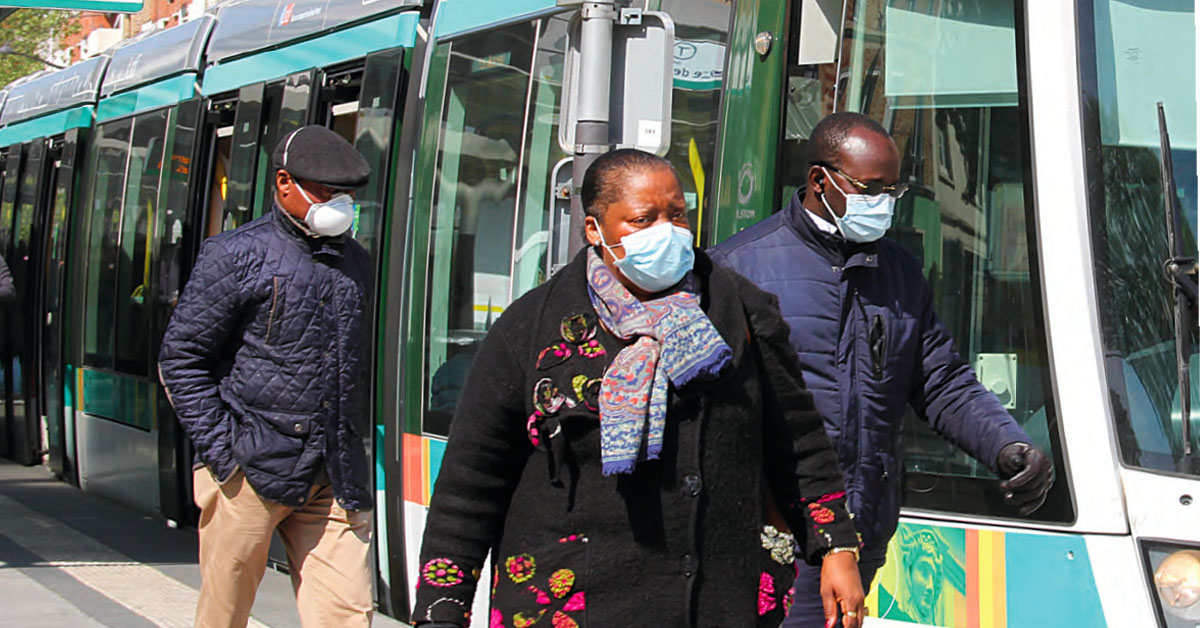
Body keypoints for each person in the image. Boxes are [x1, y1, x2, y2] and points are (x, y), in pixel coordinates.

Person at [411, 149, 865, 628]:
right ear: (595, 230)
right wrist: (443, 610)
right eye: (643, 219)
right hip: (576, 602)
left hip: (714, 601)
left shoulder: (741, 309)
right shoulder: (532, 329)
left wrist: (837, 546)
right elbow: (472, 481)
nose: (666, 231)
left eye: (677, 215)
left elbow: (796, 438)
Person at [709, 112, 1054, 628]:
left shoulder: (899, 272)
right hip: (776, 542)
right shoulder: (739, 269)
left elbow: (941, 381)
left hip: (864, 530)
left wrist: (1007, 445)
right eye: (871, 188)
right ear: (820, 181)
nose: (885, 202)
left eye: (893, 190)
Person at [158, 125, 375, 628]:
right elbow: (181, 359)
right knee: (224, 613)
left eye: (346, 195)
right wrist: (225, 454)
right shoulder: (234, 254)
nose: (340, 205)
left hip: (333, 474)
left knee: (347, 613)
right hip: (249, 471)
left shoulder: (356, 261)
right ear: (284, 183)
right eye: (327, 192)